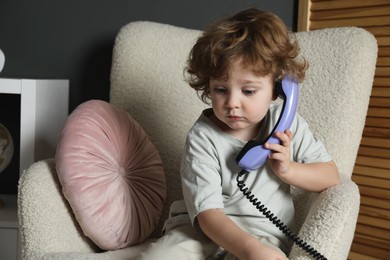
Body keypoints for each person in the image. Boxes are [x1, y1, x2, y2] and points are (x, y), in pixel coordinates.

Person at [138, 8, 340, 260]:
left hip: (263, 233)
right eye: (221, 89)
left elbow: (330, 176)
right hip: (202, 232)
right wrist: (248, 249)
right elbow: (207, 214)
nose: (232, 103)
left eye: (248, 91)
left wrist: (287, 169)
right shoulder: (202, 137)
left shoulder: (285, 124)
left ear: (277, 89)